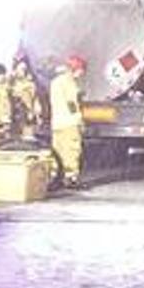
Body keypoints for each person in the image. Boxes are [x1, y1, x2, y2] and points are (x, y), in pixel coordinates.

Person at [49, 56, 86, 189]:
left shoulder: (55, 82)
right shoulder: (69, 82)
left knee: (58, 150)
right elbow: (71, 102)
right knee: (72, 149)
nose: (82, 74)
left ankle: (56, 176)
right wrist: (78, 118)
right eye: (81, 70)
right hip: (69, 122)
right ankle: (71, 178)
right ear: (75, 69)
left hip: (57, 122)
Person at [8, 59, 41, 144]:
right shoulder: (10, 84)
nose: (23, 71)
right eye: (21, 69)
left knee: (28, 137)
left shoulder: (30, 84)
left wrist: (36, 111)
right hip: (13, 117)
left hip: (27, 115)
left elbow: (35, 99)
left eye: (24, 69)